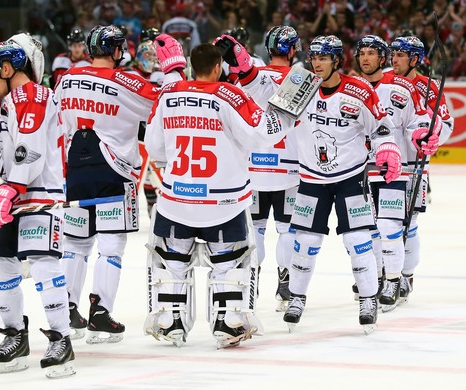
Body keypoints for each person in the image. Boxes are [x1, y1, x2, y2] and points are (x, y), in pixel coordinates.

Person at [143, 37, 296, 348]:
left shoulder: (170, 93)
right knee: (228, 264)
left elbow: (155, 147)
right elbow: (261, 134)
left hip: (177, 199)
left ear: (191, 67)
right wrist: (288, 112)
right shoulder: (229, 94)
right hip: (222, 202)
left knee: (173, 261)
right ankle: (228, 321)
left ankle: (169, 319)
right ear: (217, 67)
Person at [55, 25, 184, 344]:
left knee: (76, 246)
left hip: (75, 171)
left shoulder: (68, 78)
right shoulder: (129, 81)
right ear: (115, 50)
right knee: (111, 248)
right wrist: (174, 70)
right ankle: (100, 313)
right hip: (115, 172)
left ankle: (67, 310)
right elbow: (168, 103)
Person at [282, 35, 401, 334]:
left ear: (337, 60)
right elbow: (273, 121)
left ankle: (368, 298)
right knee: (306, 242)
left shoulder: (358, 89)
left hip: (350, 178)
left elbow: (382, 125)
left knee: (358, 241)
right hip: (310, 179)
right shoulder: (298, 84)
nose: (317, 63)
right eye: (314, 58)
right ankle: (296, 297)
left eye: (323, 58)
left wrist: (387, 147)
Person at [0, 32, 75, 379]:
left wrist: (8, 191)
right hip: (14, 194)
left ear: (8, 68)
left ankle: (61, 339)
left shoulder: (33, 95)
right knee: (2, 266)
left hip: (38, 197)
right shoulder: (12, 100)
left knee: (44, 267)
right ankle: (15, 336)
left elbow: (30, 151)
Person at [355, 35, 432, 312]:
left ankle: (394, 280)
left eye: (371, 53)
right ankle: (374, 277)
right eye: (361, 53)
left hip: (393, 169)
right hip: (359, 170)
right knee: (366, 231)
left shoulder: (400, 87)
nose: (365, 58)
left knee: (391, 227)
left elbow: (417, 121)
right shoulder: (351, 87)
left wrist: (422, 135)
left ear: (382, 57)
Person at [232, 25, 302, 312]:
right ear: (293, 49)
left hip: (254, 168)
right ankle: (285, 286)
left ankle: (252, 280)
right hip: (289, 169)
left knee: (256, 229)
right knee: (286, 230)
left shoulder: (250, 77)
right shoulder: (303, 79)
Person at [390, 35, 454, 304]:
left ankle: (406, 275)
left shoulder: (428, 87)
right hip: (383, 165)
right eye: (393, 53)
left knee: (409, 222)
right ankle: (385, 273)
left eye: (401, 55)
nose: (394, 59)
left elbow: (446, 124)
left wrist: (432, 137)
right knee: (381, 225)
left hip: (413, 164)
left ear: (415, 59)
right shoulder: (385, 80)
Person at [123, 32, 165, 215]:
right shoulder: (128, 74)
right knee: (134, 180)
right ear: (139, 55)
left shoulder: (163, 74)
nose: (152, 60)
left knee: (162, 179)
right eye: (148, 55)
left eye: (155, 56)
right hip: (135, 137)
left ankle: (164, 211)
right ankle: (125, 214)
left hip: (155, 135)